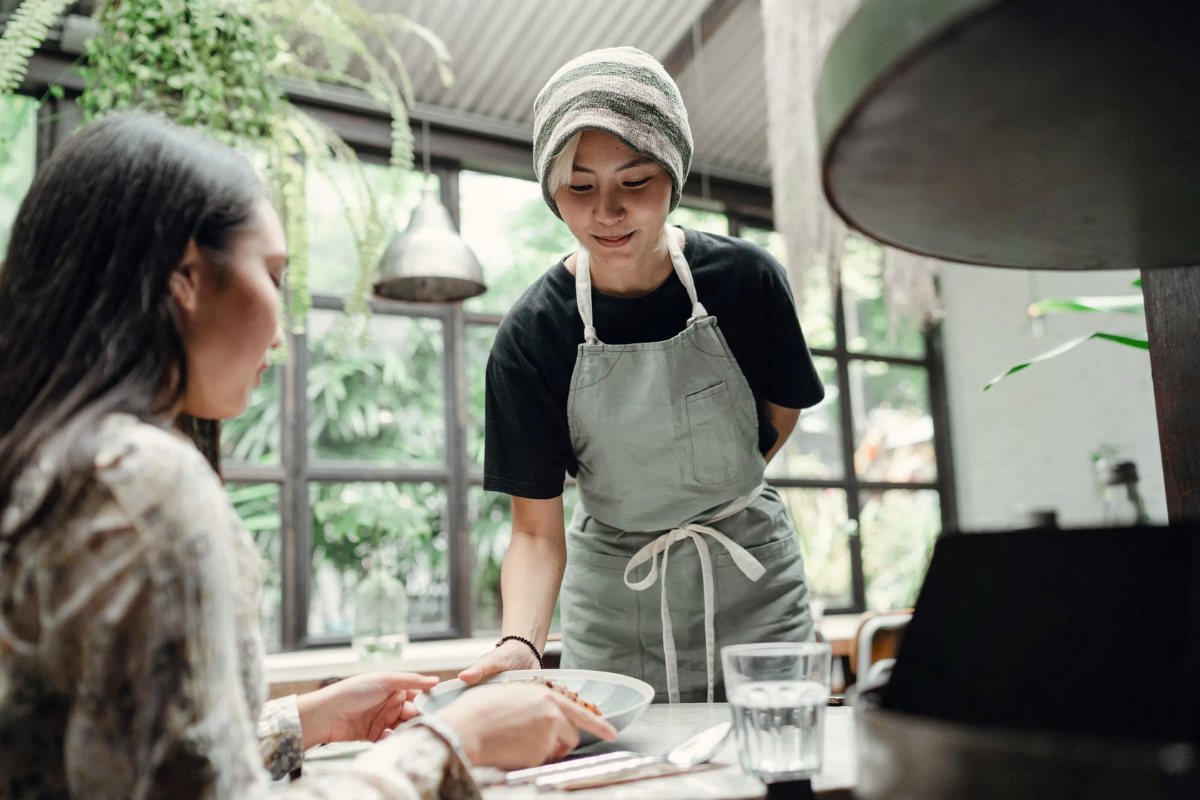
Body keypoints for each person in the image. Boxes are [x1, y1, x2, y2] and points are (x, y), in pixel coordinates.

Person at [0, 113, 614, 799]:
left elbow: (118, 759)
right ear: (185, 278)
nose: (284, 323)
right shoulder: (144, 485)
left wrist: (305, 720)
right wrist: (451, 743)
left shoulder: (44, 465)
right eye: (271, 273)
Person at [461, 48, 826, 704]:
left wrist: (705, 490)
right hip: (615, 606)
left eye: (635, 181)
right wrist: (520, 644)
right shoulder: (533, 337)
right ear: (550, 190)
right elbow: (536, 532)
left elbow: (777, 417)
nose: (607, 211)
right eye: (580, 186)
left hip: (755, 589)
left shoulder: (747, 283)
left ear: (674, 174)